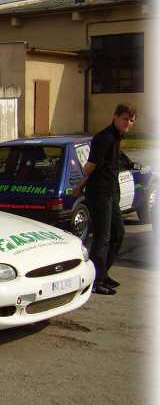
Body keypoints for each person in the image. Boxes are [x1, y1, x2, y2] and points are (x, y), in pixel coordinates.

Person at [74, 103, 137, 295]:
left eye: (131, 120)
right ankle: (94, 281)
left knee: (118, 233)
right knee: (102, 237)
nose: (128, 123)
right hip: (99, 193)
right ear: (115, 117)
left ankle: (103, 273)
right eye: (125, 119)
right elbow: (90, 166)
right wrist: (80, 184)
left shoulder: (117, 137)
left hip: (111, 192)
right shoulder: (104, 138)